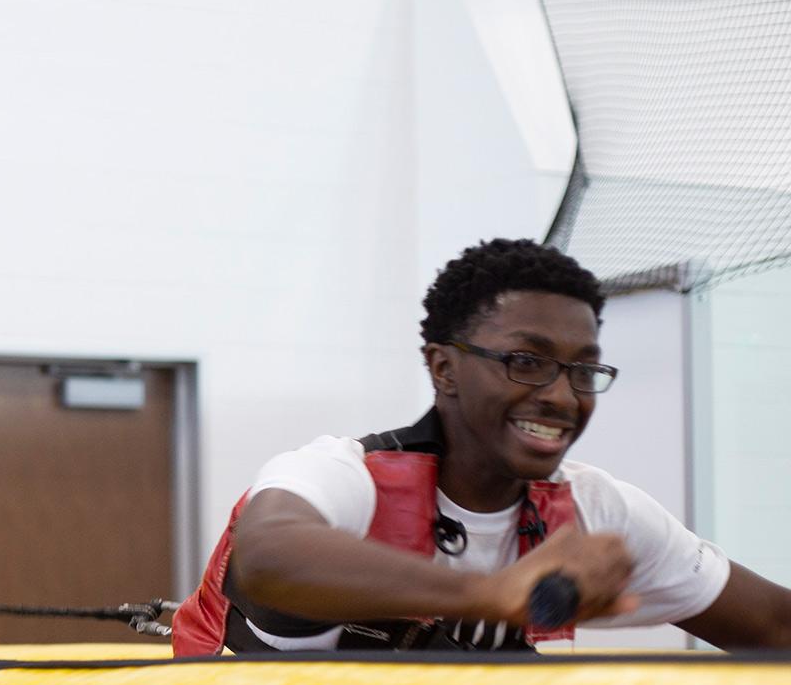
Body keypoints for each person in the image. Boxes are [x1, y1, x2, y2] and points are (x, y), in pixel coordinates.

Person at [173, 238, 791, 654]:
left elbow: (772, 622)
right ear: (442, 368)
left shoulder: (596, 514)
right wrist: (491, 596)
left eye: (583, 370)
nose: (562, 396)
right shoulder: (345, 476)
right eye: (526, 362)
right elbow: (270, 556)